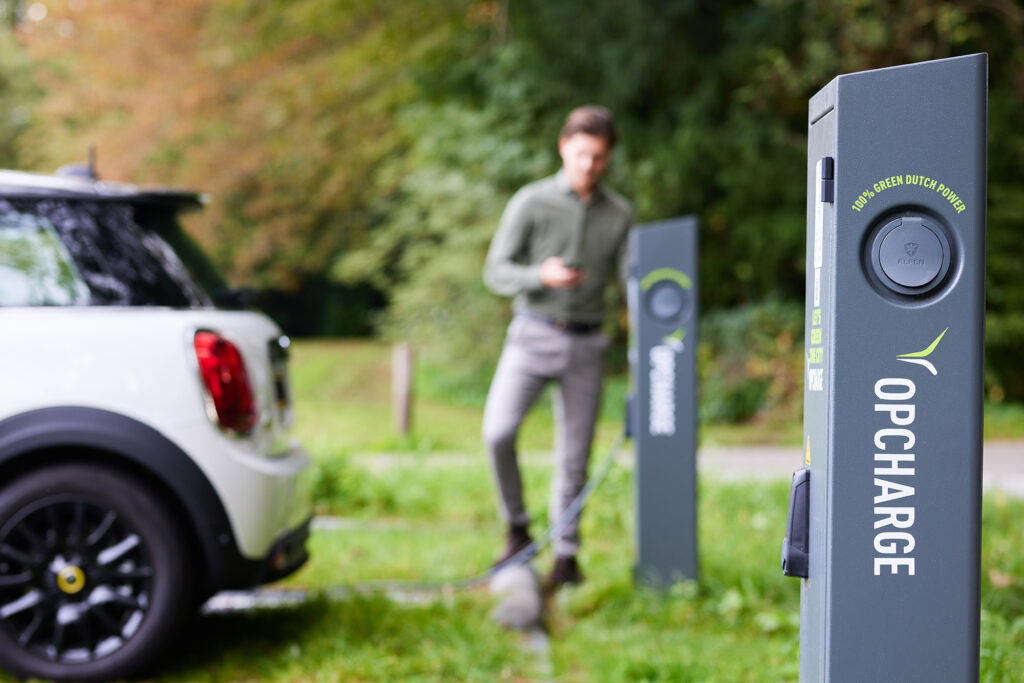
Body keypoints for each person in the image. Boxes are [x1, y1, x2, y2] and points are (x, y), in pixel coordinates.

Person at [481, 105, 632, 591]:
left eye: (599, 157)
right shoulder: (532, 201)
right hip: (532, 334)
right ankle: (516, 529)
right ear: (564, 147)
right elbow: (495, 271)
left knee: (575, 458)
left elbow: (632, 283)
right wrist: (539, 275)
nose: (589, 165)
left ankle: (566, 559)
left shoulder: (620, 214)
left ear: (608, 158)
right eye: (582, 153)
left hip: (587, 344)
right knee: (497, 433)